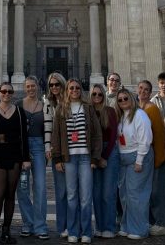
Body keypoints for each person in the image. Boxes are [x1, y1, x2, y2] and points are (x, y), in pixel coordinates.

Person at [51, 77, 102, 244]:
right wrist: (57, 158)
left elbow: (96, 134)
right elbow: (56, 136)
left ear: (81, 90)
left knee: (86, 197)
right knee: (72, 195)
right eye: (71, 88)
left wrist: (95, 157)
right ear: (67, 91)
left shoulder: (87, 108)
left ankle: (86, 231)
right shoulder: (61, 109)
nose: (74, 91)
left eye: (77, 88)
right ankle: (73, 230)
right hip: (69, 158)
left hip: (86, 158)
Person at [0, 81, 30, 245]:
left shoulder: (19, 112)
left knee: (11, 196)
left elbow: (24, 137)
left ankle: (6, 231)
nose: (6, 94)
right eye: (3, 91)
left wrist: (26, 158)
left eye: (9, 92)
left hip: (15, 157)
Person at [115, 87, 153, 240]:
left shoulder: (139, 115)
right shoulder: (121, 116)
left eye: (126, 98)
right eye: (120, 100)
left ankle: (139, 228)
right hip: (124, 158)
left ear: (132, 98)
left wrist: (139, 160)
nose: (123, 101)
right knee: (124, 195)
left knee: (137, 195)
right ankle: (126, 225)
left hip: (139, 156)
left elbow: (146, 139)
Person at [137, 80, 165, 237]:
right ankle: (153, 221)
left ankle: (162, 223)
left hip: (157, 156)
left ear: (150, 93)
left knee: (158, 192)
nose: (143, 91)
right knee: (150, 192)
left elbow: (158, 135)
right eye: (141, 88)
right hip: (147, 158)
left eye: (146, 90)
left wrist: (160, 158)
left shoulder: (152, 109)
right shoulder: (140, 108)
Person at [17, 76, 48, 239]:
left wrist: (47, 149)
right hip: (23, 150)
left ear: (38, 86)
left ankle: (41, 225)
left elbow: (47, 130)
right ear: (24, 88)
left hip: (39, 148)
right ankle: (27, 223)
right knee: (22, 188)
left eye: (33, 86)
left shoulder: (45, 106)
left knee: (41, 188)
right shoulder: (18, 105)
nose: (30, 89)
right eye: (28, 86)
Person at [89, 83, 118, 239]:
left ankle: (109, 227)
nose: (97, 97)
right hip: (94, 154)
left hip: (109, 154)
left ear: (104, 96)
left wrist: (104, 157)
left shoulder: (110, 111)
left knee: (108, 193)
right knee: (96, 193)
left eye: (100, 94)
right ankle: (99, 226)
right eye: (94, 95)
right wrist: (96, 157)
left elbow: (113, 136)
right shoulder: (88, 111)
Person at [43, 72, 68, 237]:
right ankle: (62, 227)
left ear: (62, 85)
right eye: (51, 85)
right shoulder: (47, 104)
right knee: (61, 192)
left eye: (57, 84)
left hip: (73, 150)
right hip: (57, 151)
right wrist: (48, 149)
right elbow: (47, 127)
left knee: (73, 191)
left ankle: (74, 224)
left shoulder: (72, 102)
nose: (54, 88)